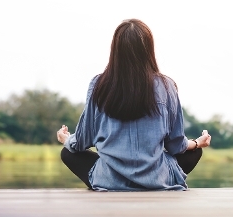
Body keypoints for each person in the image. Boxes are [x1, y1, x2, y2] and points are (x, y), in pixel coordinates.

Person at [57, 19, 211, 191]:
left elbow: (82, 141)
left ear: (115, 49)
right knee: (193, 153)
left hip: (108, 180)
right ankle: (156, 182)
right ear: (149, 50)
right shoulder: (167, 86)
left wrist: (67, 140)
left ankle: (111, 182)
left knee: (68, 153)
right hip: (158, 179)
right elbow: (176, 146)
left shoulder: (98, 84)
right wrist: (196, 144)